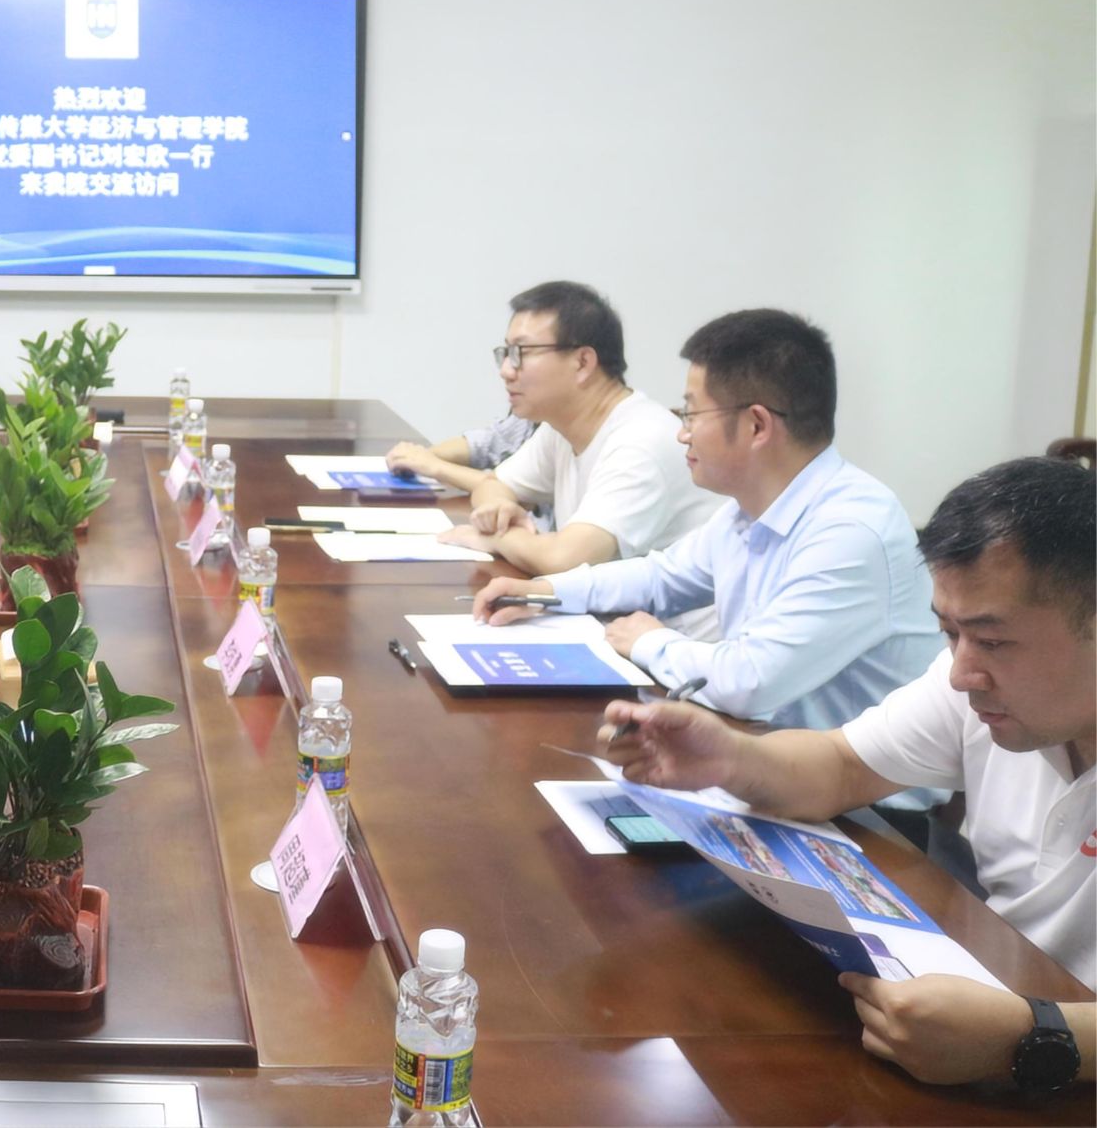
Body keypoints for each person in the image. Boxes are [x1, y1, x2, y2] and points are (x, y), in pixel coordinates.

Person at [599, 457, 1093, 1089]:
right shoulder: (977, 688)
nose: (961, 674)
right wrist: (729, 758)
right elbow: (843, 766)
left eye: (993, 641)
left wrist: (1034, 1037)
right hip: (999, 986)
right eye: (949, 633)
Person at [472, 309, 942, 735]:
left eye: (691, 413)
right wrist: (546, 592)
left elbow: (750, 682)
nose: (682, 433)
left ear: (757, 426)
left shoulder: (850, 532)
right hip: (764, 754)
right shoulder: (748, 509)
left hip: (856, 798)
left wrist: (650, 641)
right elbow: (661, 577)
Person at [437, 281, 715, 576]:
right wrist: (497, 511)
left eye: (521, 352)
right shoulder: (561, 427)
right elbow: (492, 485)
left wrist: (498, 537)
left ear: (582, 362)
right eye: (506, 352)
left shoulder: (641, 442)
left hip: (666, 609)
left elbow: (563, 560)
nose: (506, 370)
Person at [386, 409, 535, 497]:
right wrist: (419, 457)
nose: (505, 371)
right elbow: (493, 440)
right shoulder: (530, 416)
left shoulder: (547, 431)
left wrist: (437, 467)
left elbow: (513, 489)